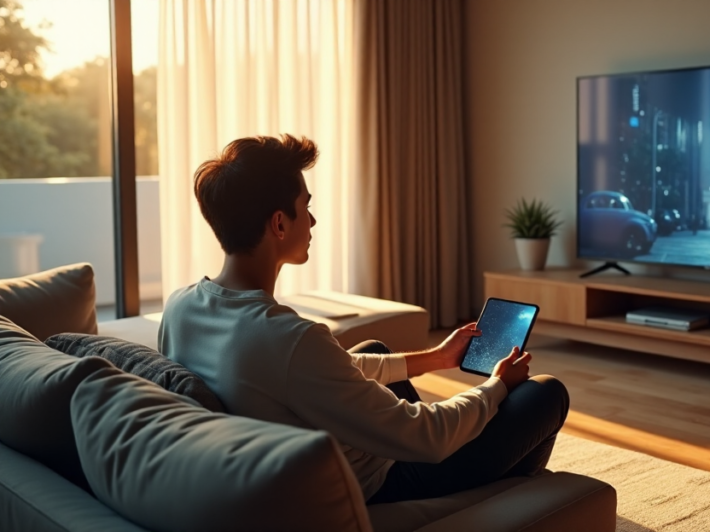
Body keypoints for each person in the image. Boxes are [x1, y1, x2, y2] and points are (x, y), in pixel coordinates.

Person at [158, 134, 569, 504]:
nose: (313, 220)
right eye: (307, 207)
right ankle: (509, 490)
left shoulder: (179, 307)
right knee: (546, 393)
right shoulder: (287, 338)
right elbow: (427, 435)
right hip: (379, 479)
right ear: (280, 224)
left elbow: (311, 372)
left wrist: (437, 358)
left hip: (303, 441)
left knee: (374, 351)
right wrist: (497, 386)